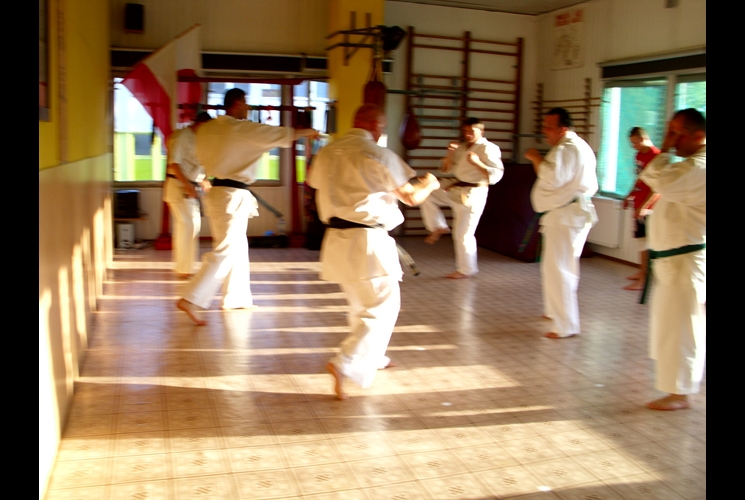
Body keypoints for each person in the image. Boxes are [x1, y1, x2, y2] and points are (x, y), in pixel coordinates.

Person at [308, 104, 440, 400]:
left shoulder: (327, 152)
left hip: (336, 240)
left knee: (360, 305)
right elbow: (411, 197)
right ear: (375, 126)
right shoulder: (379, 154)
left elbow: (312, 181)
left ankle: (374, 358)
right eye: (382, 126)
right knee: (383, 307)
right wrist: (429, 184)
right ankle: (345, 362)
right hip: (367, 240)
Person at [176, 88, 319, 325]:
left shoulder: (207, 129)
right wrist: (308, 132)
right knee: (227, 249)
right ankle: (191, 298)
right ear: (238, 103)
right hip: (232, 194)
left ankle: (236, 297)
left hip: (219, 192)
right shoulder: (241, 129)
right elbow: (282, 134)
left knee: (238, 247)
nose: (249, 108)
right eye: (246, 103)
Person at [639, 108, 706, 411]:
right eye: (670, 132)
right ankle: (676, 388)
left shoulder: (700, 166)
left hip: (685, 260)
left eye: (677, 133)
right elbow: (657, 179)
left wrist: (664, 149)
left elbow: (662, 181)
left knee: (681, 326)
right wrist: (667, 149)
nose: (672, 139)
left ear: (698, 135)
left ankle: (680, 394)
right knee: (670, 325)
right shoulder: (690, 165)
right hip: (674, 261)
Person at [524, 108, 598, 339]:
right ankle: (555, 311)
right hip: (571, 214)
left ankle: (565, 325)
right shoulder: (577, 146)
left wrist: (536, 158)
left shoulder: (567, 148)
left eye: (549, 127)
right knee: (563, 266)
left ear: (563, 129)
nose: (544, 131)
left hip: (566, 215)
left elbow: (553, 178)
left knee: (558, 269)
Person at [419, 117, 504, 279]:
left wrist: (478, 163)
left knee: (463, 234)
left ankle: (467, 269)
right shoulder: (462, 147)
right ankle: (438, 226)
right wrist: (450, 153)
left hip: (474, 194)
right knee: (427, 193)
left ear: (481, 131)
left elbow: (497, 175)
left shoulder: (489, 148)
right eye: (465, 131)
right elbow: (446, 169)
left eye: (471, 131)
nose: (467, 134)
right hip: (456, 189)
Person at [163, 112, 213, 278]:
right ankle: (183, 269)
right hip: (178, 186)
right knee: (187, 225)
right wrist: (187, 185)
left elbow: (196, 164)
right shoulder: (181, 136)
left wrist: (203, 180)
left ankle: (186, 268)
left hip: (189, 186)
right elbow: (174, 164)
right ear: (201, 124)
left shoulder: (199, 139)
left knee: (192, 226)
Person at [621, 127, 661, 290]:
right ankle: (642, 272)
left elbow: (657, 187)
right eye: (632, 144)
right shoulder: (639, 155)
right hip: (639, 203)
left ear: (643, 139)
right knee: (641, 241)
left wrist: (644, 207)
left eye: (635, 143)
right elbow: (639, 180)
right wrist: (629, 196)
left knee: (647, 242)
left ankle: (645, 279)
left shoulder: (656, 157)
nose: (634, 146)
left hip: (650, 207)